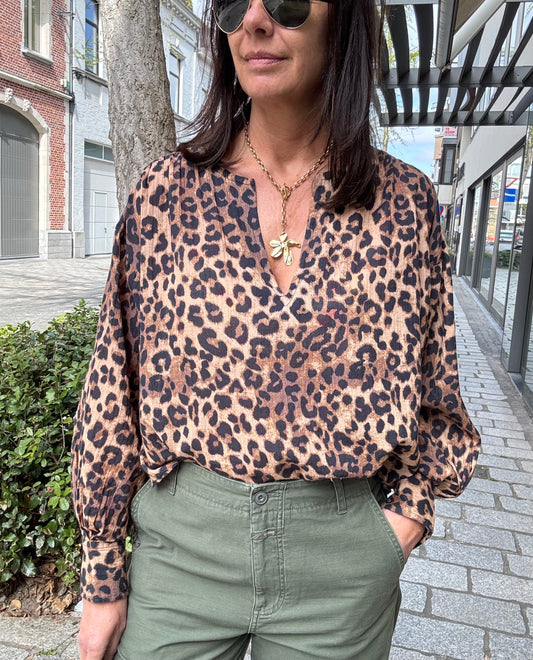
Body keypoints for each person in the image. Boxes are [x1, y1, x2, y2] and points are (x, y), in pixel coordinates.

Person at [71, 0, 481, 658]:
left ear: (341, 21)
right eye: (236, 4)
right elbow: (112, 386)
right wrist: (102, 574)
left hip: (340, 561)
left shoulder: (403, 202)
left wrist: (403, 518)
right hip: (181, 550)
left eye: (287, 4)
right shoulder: (167, 193)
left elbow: (435, 383)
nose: (256, 22)